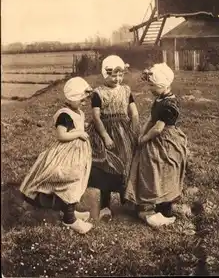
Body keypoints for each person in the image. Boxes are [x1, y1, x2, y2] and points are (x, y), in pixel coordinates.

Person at [20, 77, 93, 234]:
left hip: (77, 153)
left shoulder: (78, 112)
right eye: (81, 99)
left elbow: (77, 125)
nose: (84, 102)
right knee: (69, 181)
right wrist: (79, 132)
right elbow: (61, 136)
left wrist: (82, 127)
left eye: (85, 99)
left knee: (77, 181)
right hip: (65, 154)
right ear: (71, 98)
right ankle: (69, 219)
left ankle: (70, 211)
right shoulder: (64, 115)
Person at [125, 62, 188, 228]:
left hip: (166, 140)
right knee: (151, 170)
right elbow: (151, 121)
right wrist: (142, 134)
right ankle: (147, 203)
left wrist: (145, 139)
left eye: (153, 86)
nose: (150, 89)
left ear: (163, 85)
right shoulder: (160, 99)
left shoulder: (169, 105)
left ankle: (165, 209)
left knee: (164, 169)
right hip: (154, 135)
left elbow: (159, 128)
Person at [87, 55, 139, 219]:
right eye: (113, 75)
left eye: (120, 75)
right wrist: (105, 136)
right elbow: (96, 117)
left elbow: (134, 112)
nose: (117, 78)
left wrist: (134, 128)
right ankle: (105, 205)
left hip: (124, 131)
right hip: (106, 131)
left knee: (127, 162)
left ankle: (129, 197)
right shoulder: (98, 93)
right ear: (105, 74)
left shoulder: (126, 90)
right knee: (106, 167)